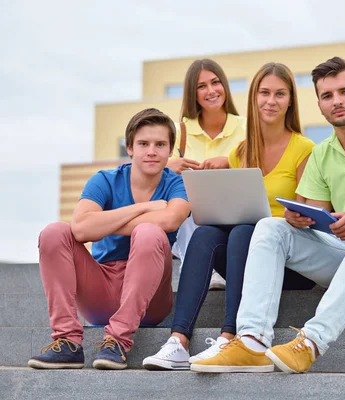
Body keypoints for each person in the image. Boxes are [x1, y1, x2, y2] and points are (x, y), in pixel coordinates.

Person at [191, 57, 345, 374]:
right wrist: (300, 219)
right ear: (319, 104)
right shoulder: (322, 153)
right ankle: (251, 341)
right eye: (327, 96)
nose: (337, 101)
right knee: (270, 226)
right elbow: (317, 214)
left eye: (344, 91)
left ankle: (312, 341)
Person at [142, 62, 316, 371]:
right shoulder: (242, 151)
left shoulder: (305, 148)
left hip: (288, 261)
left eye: (279, 94)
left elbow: (308, 213)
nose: (271, 101)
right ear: (253, 98)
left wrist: (295, 215)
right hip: (245, 253)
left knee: (244, 232)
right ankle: (178, 341)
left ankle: (229, 336)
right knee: (206, 233)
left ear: (290, 100)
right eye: (264, 93)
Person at [28, 108, 190, 370]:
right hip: (101, 288)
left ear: (170, 150)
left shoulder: (178, 184)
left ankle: (117, 341)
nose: (151, 151)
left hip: (151, 299)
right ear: (130, 148)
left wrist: (104, 222)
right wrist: (143, 208)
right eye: (143, 144)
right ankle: (68, 342)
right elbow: (80, 228)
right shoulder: (104, 180)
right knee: (54, 232)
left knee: (148, 233)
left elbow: (170, 220)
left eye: (160, 144)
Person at [169, 59, 246, 289]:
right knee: (186, 199)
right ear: (192, 94)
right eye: (201, 86)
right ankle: (199, 266)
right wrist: (169, 168)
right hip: (189, 222)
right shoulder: (176, 131)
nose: (211, 91)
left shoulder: (248, 128)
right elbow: (150, 177)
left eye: (215, 82)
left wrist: (230, 162)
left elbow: (262, 168)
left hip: (235, 216)